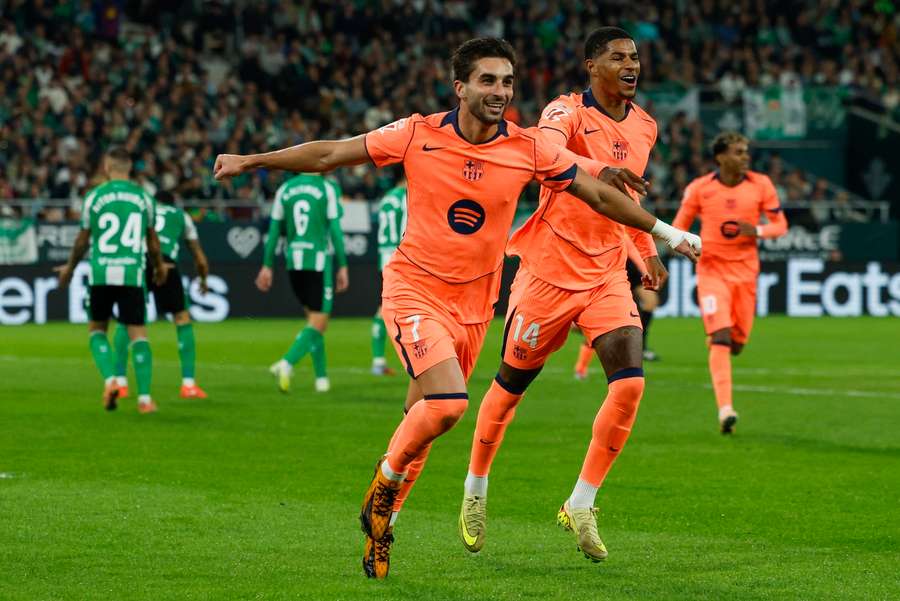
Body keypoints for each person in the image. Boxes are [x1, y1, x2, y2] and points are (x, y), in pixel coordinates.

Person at [213, 38, 700, 579]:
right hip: (415, 290)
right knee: (447, 405)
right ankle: (383, 484)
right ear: (460, 87)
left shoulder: (527, 148)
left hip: (475, 305)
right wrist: (254, 160)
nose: (500, 92)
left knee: (422, 420)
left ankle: (384, 524)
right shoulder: (416, 133)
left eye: (508, 82)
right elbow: (330, 154)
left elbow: (598, 193)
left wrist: (662, 233)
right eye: (488, 81)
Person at [458, 27, 673, 563]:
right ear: (591, 66)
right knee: (509, 389)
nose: (631, 65)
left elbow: (627, 197)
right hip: (549, 272)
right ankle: (475, 490)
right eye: (618, 57)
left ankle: (581, 502)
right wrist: (601, 167)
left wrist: (645, 251)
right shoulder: (566, 112)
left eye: (636, 57)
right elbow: (545, 149)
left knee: (629, 385)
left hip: (604, 274)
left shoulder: (646, 125)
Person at [673, 131, 788, 433]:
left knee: (735, 344)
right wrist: (685, 244)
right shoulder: (699, 189)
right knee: (722, 336)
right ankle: (725, 410)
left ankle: (717, 341)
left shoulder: (761, 184)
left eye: (746, 151)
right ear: (721, 156)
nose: (745, 156)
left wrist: (758, 231)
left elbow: (780, 225)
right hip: (711, 272)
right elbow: (678, 227)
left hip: (746, 273)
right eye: (738, 152)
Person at [55, 146, 167, 413]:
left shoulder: (93, 197)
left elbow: (83, 238)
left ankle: (111, 380)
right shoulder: (143, 197)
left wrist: (70, 268)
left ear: (107, 166)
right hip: (131, 273)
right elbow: (152, 239)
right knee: (138, 334)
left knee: (96, 331)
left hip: (101, 272)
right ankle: (145, 400)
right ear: (129, 168)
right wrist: (159, 266)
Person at [112, 190, 210, 400]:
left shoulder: (143, 212)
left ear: (155, 202)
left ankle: (119, 382)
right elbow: (199, 258)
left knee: (127, 319)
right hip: (168, 263)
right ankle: (189, 385)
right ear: (174, 202)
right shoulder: (181, 216)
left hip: (140, 262)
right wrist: (203, 280)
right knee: (182, 319)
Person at [259, 172, 349, 393]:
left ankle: (321, 379)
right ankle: (286, 363)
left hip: (294, 263)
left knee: (313, 321)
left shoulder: (285, 189)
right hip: (318, 261)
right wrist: (343, 265)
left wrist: (267, 265)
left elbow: (273, 233)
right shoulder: (326, 188)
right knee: (319, 323)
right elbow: (335, 231)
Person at [574, 236, 661, 380]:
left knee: (650, 301)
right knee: (600, 323)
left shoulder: (628, 223)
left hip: (628, 262)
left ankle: (642, 345)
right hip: (609, 262)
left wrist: (647, 269)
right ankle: (581, 366)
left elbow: (634, 245)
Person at [371, 175, 407, 376]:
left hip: (382, 257)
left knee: (384, 308)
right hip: (398, 256)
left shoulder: (387, 198)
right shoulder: (405, 197)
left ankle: (378, 360)